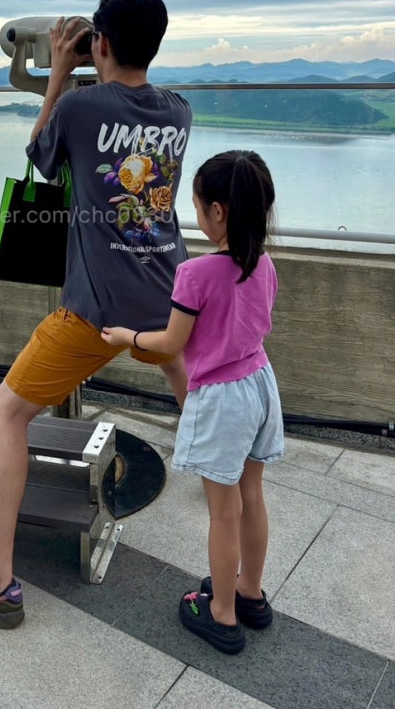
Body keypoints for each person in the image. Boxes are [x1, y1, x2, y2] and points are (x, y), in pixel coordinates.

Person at [0, 0, 193, 627]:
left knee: (6, 412)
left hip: (97, 311)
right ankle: (231, 515)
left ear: (100, 43)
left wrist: (57, 77)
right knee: (197, 398)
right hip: (171, 296)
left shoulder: (79, 108)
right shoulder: (179, 111)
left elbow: (42, 157)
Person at [101, 149, 284, 654]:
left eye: (198, 206)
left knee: (223, 512)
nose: (195, 214)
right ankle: (249, 592)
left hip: (224, 400)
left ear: (218, 212)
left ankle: (221, 613)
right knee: (252, 497)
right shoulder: (264, 264)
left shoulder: (196, 274)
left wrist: (127, 337)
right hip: (260, 384)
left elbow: (170, 343)